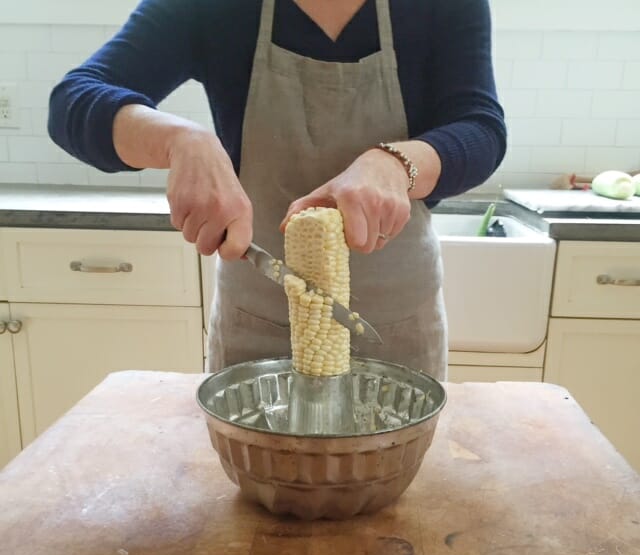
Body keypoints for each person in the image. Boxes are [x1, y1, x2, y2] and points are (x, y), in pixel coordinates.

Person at [48, 0, 506, 381]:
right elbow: (73, 100)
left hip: (397, 325)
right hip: (257, 324)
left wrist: (396, 163)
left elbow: (480, 128)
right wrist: (179, 140)